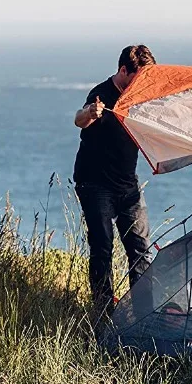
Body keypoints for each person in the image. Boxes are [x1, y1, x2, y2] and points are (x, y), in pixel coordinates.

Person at [73, 44, 156, 325]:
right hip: (95, 185)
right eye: (138, 77)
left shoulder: (139, 97)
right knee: (102, 247)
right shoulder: (101, 94)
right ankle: (103, 313)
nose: (142, 84)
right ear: (123, 71)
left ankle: (145, 315)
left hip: (128, 185)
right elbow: (79, 119)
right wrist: (91, 114)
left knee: (140, 248)